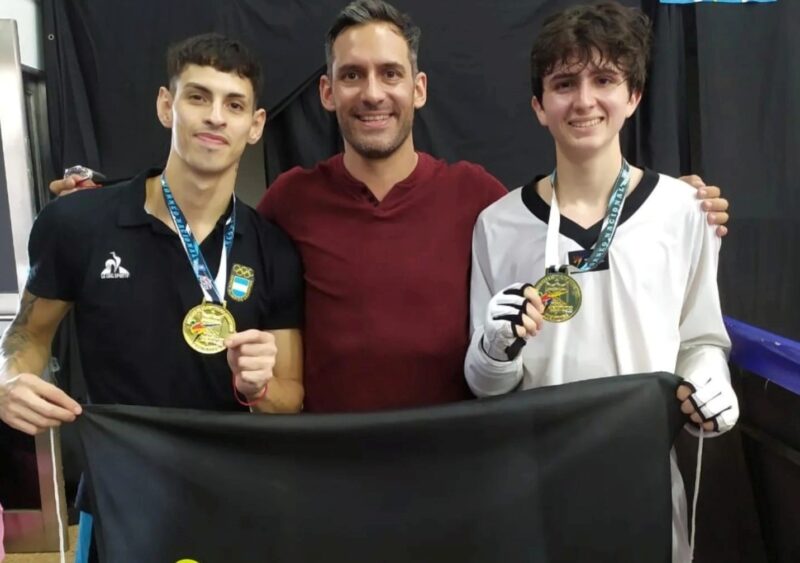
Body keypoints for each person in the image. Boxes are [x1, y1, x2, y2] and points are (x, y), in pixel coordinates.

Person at [50, 0, 730, 414]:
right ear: (327, 93)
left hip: (457, 469)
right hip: (330, 473)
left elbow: (563, 217)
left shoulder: (479, 199)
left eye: (390, 74)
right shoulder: (289, 201)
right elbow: (202, 233)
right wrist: (109, 199)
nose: (372, 93)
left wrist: (665, 202)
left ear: (419, 89)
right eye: (352, 75)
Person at [1, 33, 304, 561]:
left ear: (255, 125)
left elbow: (290, 399)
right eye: (198, 97)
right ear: (167, 105)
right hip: (120, 499)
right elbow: (26, 337)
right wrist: (8, 380)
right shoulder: (78, 224)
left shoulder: (273, 248)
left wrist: (258, 389)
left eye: (234, 105)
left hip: (236, 500)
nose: (215, 117)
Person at [463, 3, 737, 562]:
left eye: (605, 79)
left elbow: (701, 339)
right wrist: (494, 348)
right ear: (539, 106)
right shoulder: (497, 224)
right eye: (564, 83)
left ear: (633, 95)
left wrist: (710, 382)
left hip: (643, 483)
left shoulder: (685, 211)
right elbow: (484, 389)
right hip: (535, 490)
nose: (584, 101)